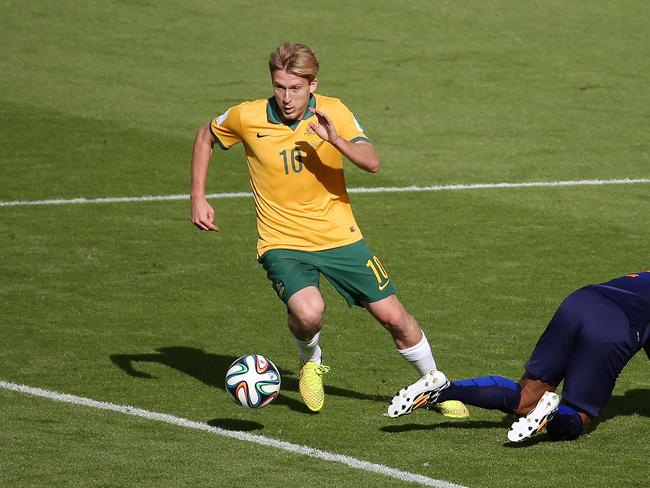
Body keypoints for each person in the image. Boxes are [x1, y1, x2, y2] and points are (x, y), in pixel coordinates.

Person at [190, 42, 466, 416]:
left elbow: (372, 162)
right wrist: (198, 197)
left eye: (296, 88)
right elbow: (206, 136)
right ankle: (310, 361)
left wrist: (335, 140)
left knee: (394, 318)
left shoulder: (334, 112)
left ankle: (438, 387)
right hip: (282, 240)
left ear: (312, 85)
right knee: (308, 312)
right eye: (279, 87)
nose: (287, 98)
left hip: (340, 237)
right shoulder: (247, 116)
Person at [386, 271, 650, 442]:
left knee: (526, 398)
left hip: (579, 302)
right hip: (613, 324)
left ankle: (443, 390)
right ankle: (553, 413)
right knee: (578, 417)